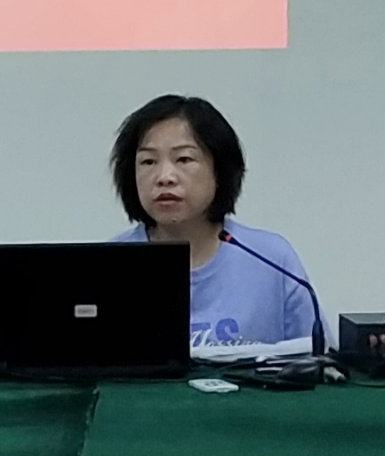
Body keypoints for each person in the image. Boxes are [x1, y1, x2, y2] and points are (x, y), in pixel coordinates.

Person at [106, 93, 320, 350]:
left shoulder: (271, 259)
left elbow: (320, 359)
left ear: (220, 170)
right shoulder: (109, 265)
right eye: (148, 161)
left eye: (184, 159)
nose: (164, 177)